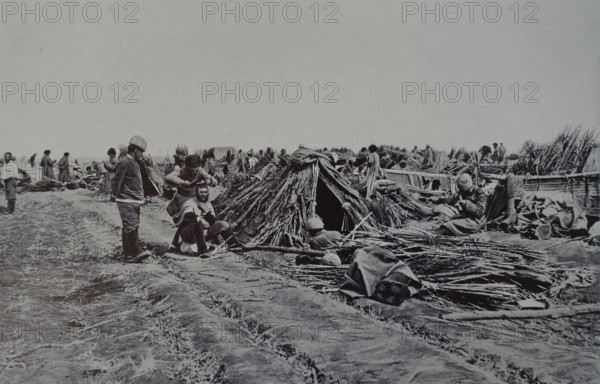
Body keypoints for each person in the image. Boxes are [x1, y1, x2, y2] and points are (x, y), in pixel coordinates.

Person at [112, 135, 152, 263]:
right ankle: (134, 252)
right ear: (135, 150)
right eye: (141, 151)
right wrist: (115, 194)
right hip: (126, 200)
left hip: (134, 200)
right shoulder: (124, 162)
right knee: (130, 226)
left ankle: (128, 254)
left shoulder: (133, 163)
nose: (142, 154)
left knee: (132, 225)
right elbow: (117, 180)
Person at [172, 184, 241, 255]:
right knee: (197, 224)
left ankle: (235, 246)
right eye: (201, 192)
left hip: (203, 233)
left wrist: (206, 210)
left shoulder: (207, 204)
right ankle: (203, 252)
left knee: (223, 224)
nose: (203, 194)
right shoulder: (190, 203)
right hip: (188, 233)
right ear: (196, 193)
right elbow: (188, 215)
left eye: (205, 192)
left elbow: (212, 222)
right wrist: (199, 219)